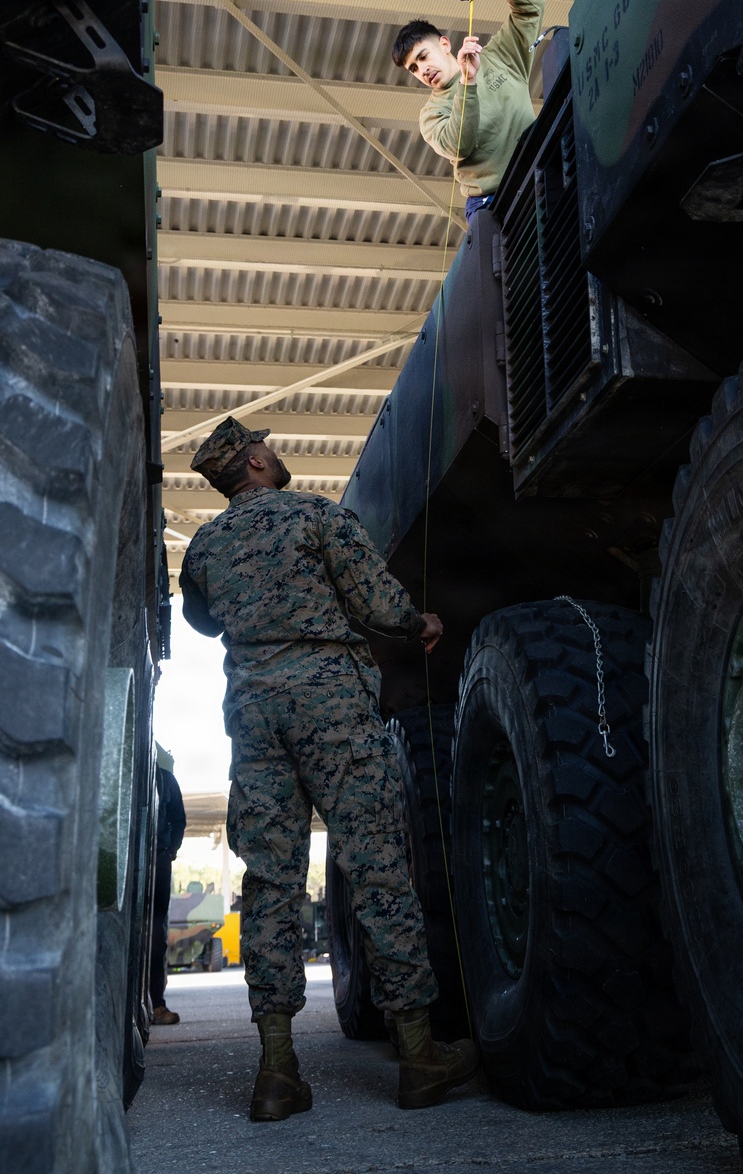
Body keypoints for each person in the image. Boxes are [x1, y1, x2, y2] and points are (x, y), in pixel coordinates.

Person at [178, 417, 478, 1122]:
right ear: (255, 459)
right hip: (331, 703)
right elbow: (376, 601)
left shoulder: (204, 546)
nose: (275, 452)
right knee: (376, 864)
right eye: (268, 446)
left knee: (272, 883)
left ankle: (277, 1071)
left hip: (254, 713)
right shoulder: (317, 515)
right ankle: (417, 1054)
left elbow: (205, 623)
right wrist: (418, 624)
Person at [392, 0, 544, 221]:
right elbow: (459, 145)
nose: (422, 70)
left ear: (444, 44)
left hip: (539, 176)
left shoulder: (500, 56)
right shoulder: (431, 115)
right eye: (414, 68)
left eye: (423, 56)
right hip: (493, 204)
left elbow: (532, 9)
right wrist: (467, 81)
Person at [150, 745, 187, 1026]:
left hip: (157, 859)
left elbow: (178, 819)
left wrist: (170, 851)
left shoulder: (164, 778)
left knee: (155, 936)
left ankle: (156, 1004)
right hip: (126, 861)